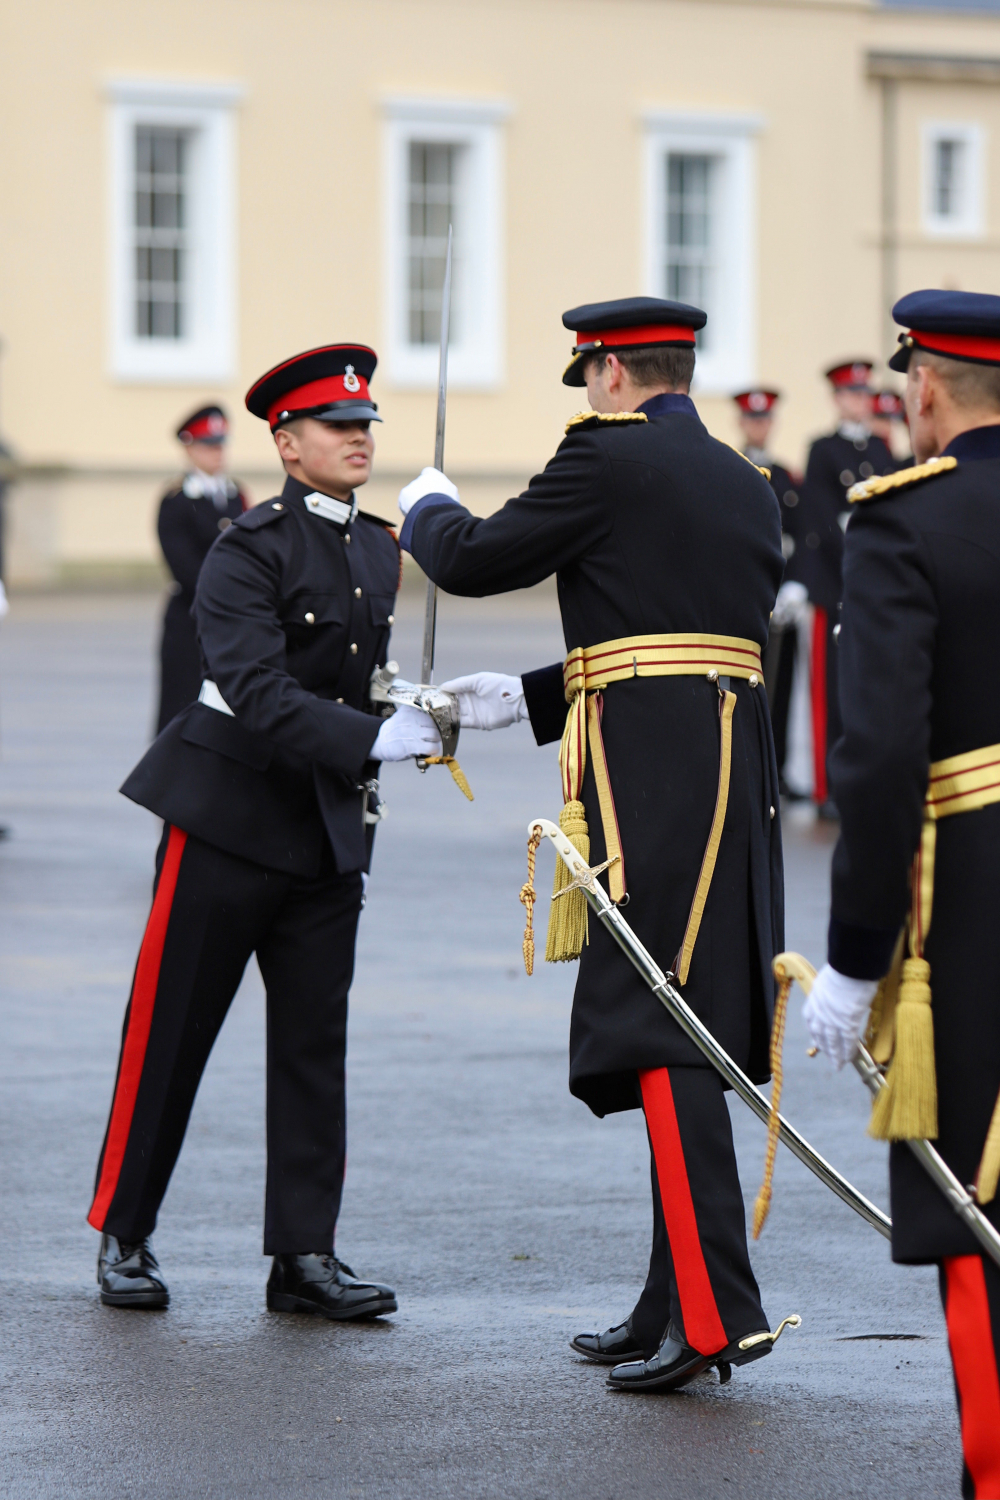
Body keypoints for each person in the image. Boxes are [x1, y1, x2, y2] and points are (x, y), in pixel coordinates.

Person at [398, 297, 790, 1392]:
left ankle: (715, 1312)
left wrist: (428, 511)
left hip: (650, 777)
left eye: (589, 379)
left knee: (664, 1022)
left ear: (611, 372)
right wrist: (523, 699)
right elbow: (662, 625)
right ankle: (672, 1295)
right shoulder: (741, 483)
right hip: (720, 760)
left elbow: (476, 561)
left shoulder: (606, 459)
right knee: (687, 1024)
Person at [89, 344, 444, 1319]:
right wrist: (377, 736)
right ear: (288, 447)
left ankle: (303, 1256)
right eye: (339, 427)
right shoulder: (243, 550)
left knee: (311, 1049)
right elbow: (257, 691)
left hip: (325, 832)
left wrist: (420, 705)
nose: (360, 439)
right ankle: (125, 1233)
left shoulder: (379, 547)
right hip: (225, 825)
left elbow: (354, 680)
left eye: (366, 425)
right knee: (169, 1037)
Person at [803, 289, 1000, 1498]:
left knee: (974, 1185)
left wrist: (853, 957)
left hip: (974, 893)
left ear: (920, 388)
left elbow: (878, 765)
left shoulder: (901, 523)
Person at [798, 362, 894, 818]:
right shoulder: (823, 449)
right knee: (829, 695)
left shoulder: (880, 448)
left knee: (867, 691)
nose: (858, 399)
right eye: (850, 393)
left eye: (863, 392)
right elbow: (819, 519)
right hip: (832, 586)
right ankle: (826, 788)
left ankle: (861, 782)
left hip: (870, 587)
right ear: (837, 398)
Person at [156, 407, 248, 733]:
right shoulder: (177, 499)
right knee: (182, 710)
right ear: (189, 448)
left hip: (231, 621)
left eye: (221, 444)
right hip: (190, 619)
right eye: (209, 445)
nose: (217, 453)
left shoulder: (235, 494)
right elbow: (185, 568)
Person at [733, 389, 806, 793]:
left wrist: (796, 584)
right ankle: (747, 764)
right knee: (744, 682)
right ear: (741, 423)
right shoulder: (729, 466)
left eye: (764, 420)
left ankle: (777, 768)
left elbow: (800, 537)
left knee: (783, 687)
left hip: (782, 597)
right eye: (752, 420)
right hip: (746, 596)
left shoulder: (786, 476)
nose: (758, 427)